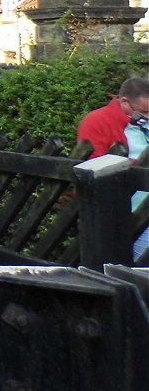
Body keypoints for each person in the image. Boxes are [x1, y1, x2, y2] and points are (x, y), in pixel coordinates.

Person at [76, 76, 149, 261]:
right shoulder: (97, 121)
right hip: (124, 213)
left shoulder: (139, 121)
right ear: (124, 101)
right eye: (144, 112)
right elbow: (95, 167)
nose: (148, 117)